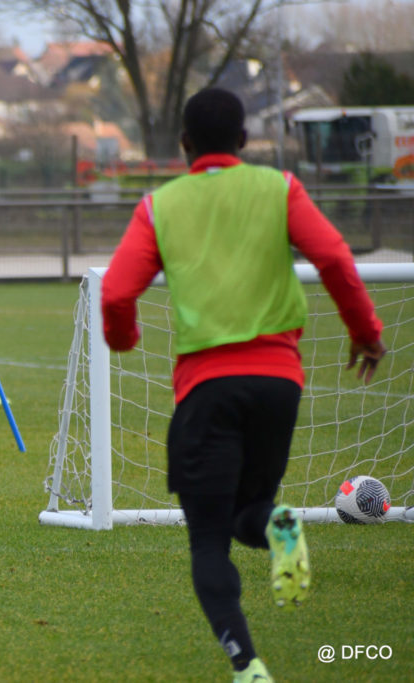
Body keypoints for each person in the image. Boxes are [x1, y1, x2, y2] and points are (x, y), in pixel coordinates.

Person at [101, 88, 386, 682]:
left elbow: (117, 292)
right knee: (248, 511)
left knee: (209, 540)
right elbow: (335, 259)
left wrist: (123, 339)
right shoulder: (280, 188)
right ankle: (279, 525)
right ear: (244, 140)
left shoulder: (159, 205)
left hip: (208, 387)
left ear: (184, 144)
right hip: (279, 385)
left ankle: (247, 665)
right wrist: (366, 333)